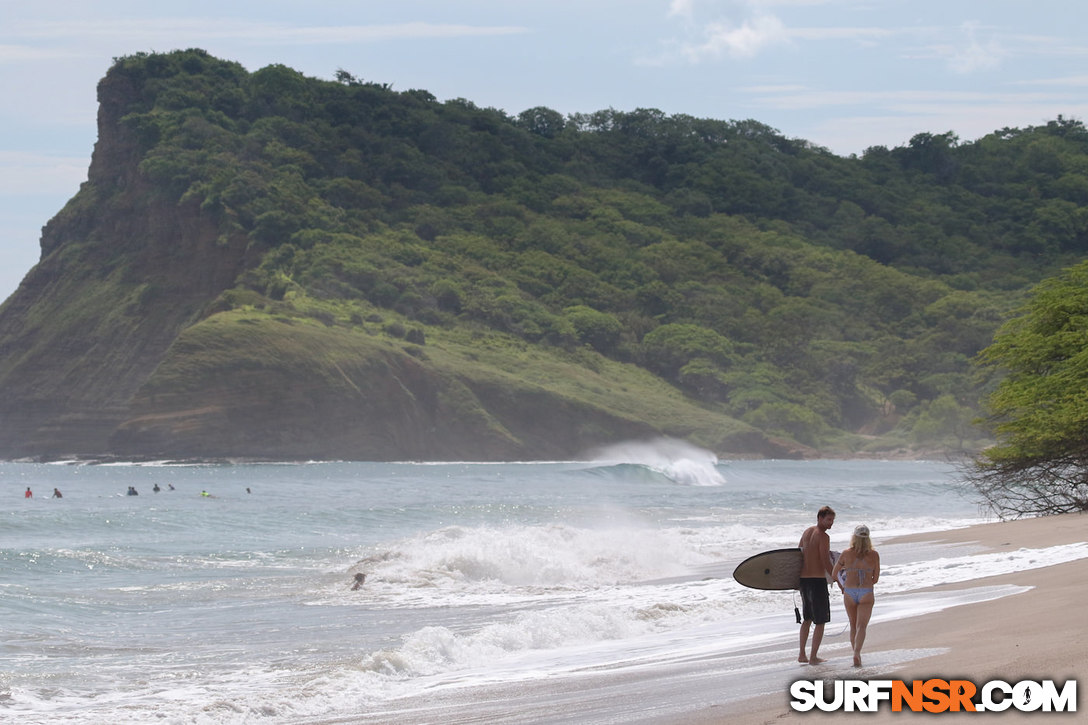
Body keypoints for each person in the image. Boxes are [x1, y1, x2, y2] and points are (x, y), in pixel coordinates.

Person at [832, 524, 880, 667]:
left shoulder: (846, 553)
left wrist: (842, 586)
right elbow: (875, 579)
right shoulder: (874, 555)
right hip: (866, 592)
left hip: (849, 592)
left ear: (854, 537)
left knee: (853, 625)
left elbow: (835, 574)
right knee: (862, 626)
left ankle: (855, 653)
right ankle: (857, 653)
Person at [798, 505, 835, 664]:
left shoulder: (807, 532)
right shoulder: (823, 536)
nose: (831, 524)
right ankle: (813, 657)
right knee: (820, 620)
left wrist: (794, 580)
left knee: (807, 618)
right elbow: (825, 560)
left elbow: (797, 554)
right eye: (828, 520)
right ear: (819, 518)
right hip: (817, 581)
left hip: (804, 581)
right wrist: (837, 578)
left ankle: (802, 655)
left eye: (832, 521)